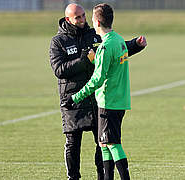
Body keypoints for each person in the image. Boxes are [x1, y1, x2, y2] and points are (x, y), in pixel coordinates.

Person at [49, 3, 146, 180]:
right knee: (73, 143)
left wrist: (134, 45)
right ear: (68, 19)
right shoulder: (58, 42)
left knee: (102, 142)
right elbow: (59, 70)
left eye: (84, 16)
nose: (82, 19)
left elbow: (114, 49)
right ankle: (73, 177)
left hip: (96, 96)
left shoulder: (93, 35)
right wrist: (84, 60)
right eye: (77, 17)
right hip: (72, 97)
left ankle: (102, 176)